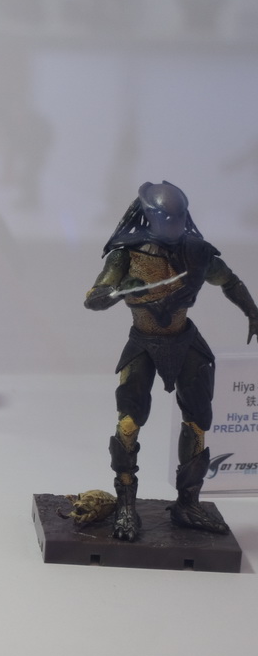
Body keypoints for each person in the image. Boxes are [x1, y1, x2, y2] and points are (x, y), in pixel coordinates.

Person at [85, 181, 257, 540]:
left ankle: (188, 504)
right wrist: (119, 290)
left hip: (186, 341)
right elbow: (94, 297)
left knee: (197, 422)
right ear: (150, 216)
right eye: (167, 218)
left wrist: (252, 313)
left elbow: (229, 281)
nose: (174, 225)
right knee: (129, 423)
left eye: (178, 218)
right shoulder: (126, 255)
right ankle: (127, 506)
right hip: (143, 344)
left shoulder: (197, 253)